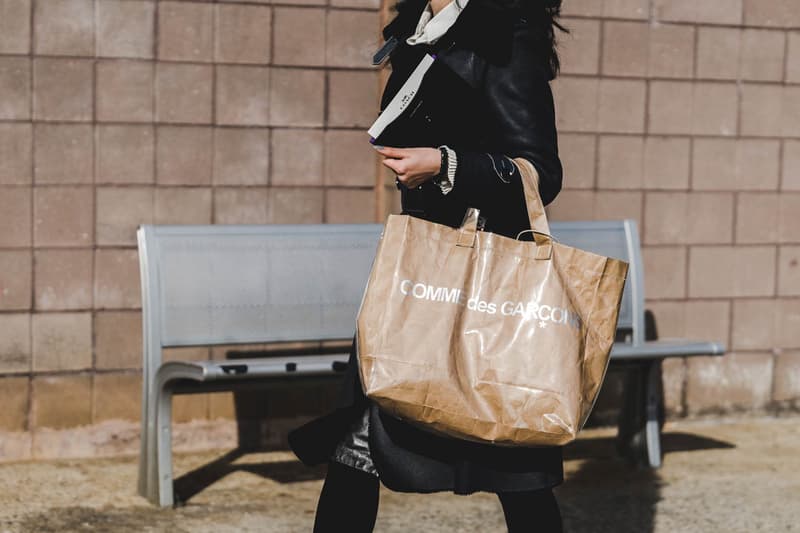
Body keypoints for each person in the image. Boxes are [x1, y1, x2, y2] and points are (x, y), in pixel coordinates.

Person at [289, 0, 567, 531]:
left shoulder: (505, 34)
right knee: (358, 442)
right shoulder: (417, 35)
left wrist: (445, 163)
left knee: (514, 460)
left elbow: (541, 171)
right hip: (417, 273)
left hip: (483, 287)